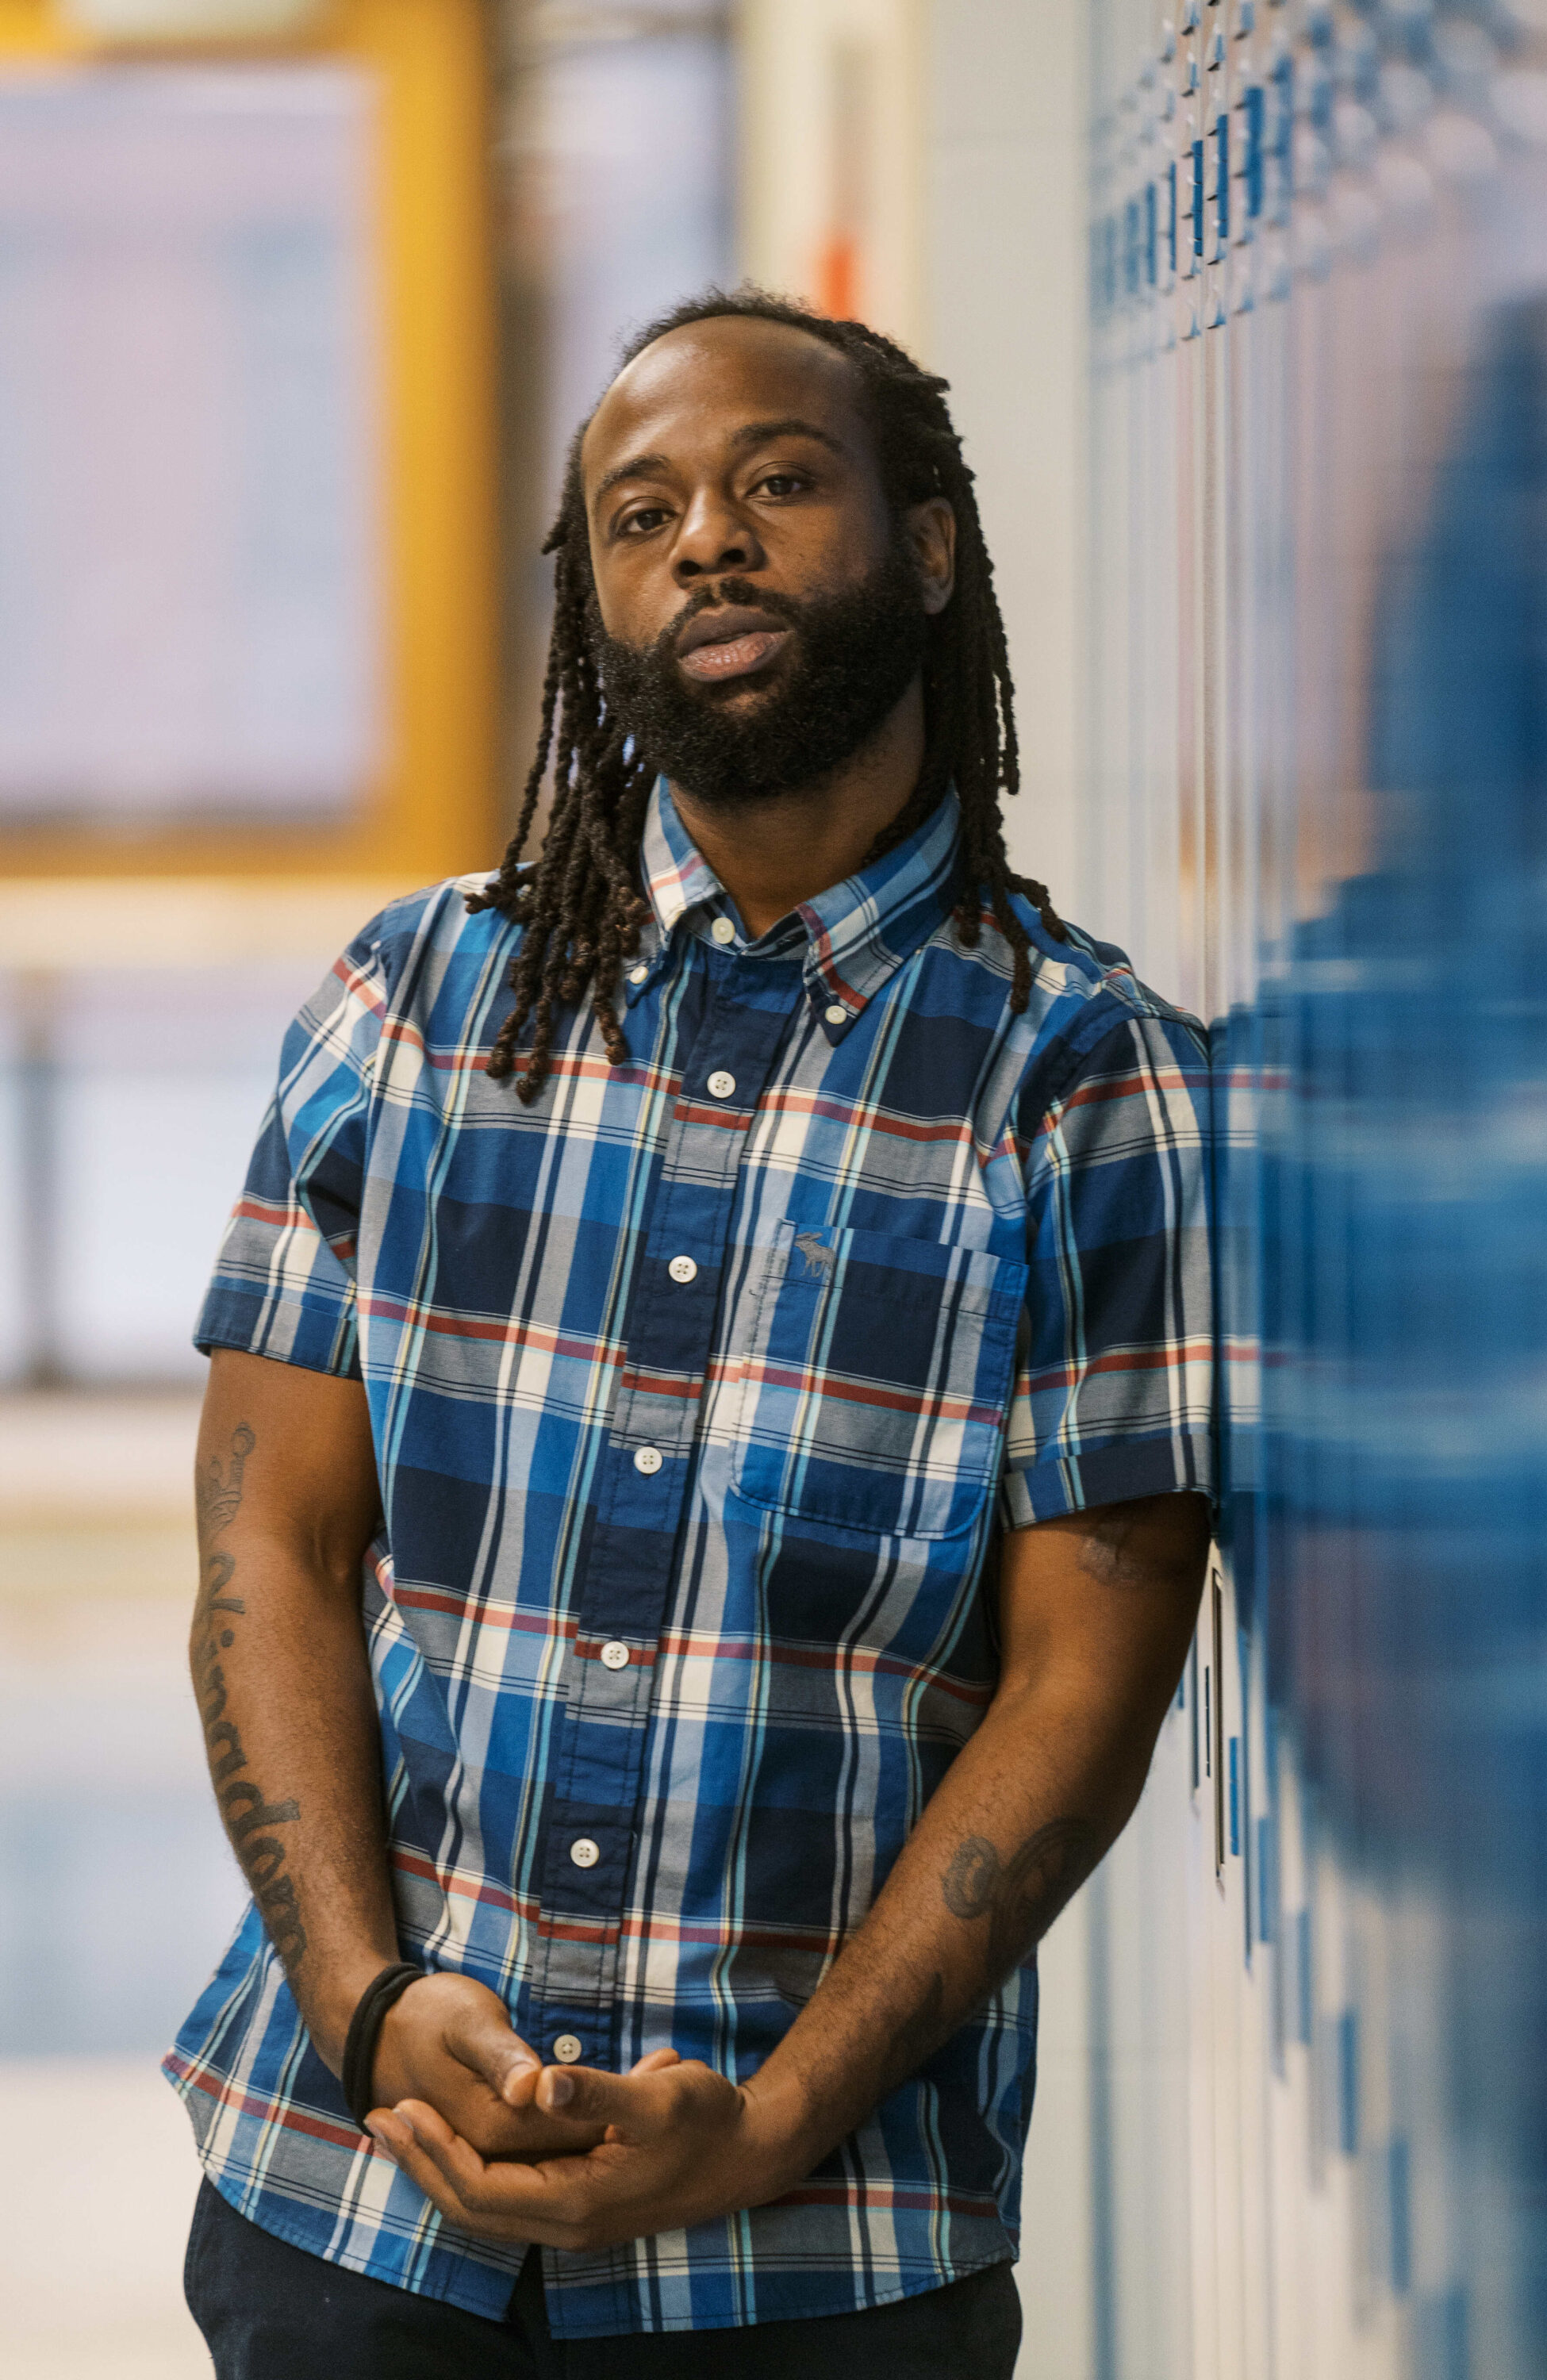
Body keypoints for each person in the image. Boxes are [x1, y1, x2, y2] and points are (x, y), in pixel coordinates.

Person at [168, 288, 1214, 2378]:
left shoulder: (1083, 1080)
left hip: (819, 2269)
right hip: (349, 2198)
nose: (707, 543)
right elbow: (264, 1554)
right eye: (642, 517)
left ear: (927, 543)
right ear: (597, 615)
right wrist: (372, 2000)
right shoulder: (414, 1009)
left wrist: (780, 2121)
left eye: (778, 482)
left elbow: (1086, 1673)